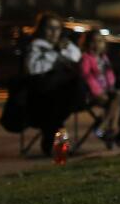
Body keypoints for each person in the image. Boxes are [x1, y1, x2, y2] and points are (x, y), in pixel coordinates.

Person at [22, 12, 83, 156]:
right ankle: (58, 145)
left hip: (62, 94)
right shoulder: (35, 47)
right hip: (41, 92)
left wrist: (63, 48)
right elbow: (33, 69)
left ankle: (53, 139)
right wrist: (55, 58)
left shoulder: (61, 45)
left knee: (73, 83)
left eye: (57, 28)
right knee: (56, 107)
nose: (54, 32)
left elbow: (76, 56)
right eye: (50, 28)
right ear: (42, 29)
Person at [77, 30, 120, 148]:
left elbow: (110, 75)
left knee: (118, 95)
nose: (96, 44)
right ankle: (110, 131)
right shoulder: (86, 58)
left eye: (99, 41)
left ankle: (103, 126)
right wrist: (97, 91)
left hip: (106, 90)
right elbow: (86, 77)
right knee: (114, 106)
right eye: (93, 42)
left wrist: (110, 87)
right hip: (92, 93)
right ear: (86, 44)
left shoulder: (104, 58)